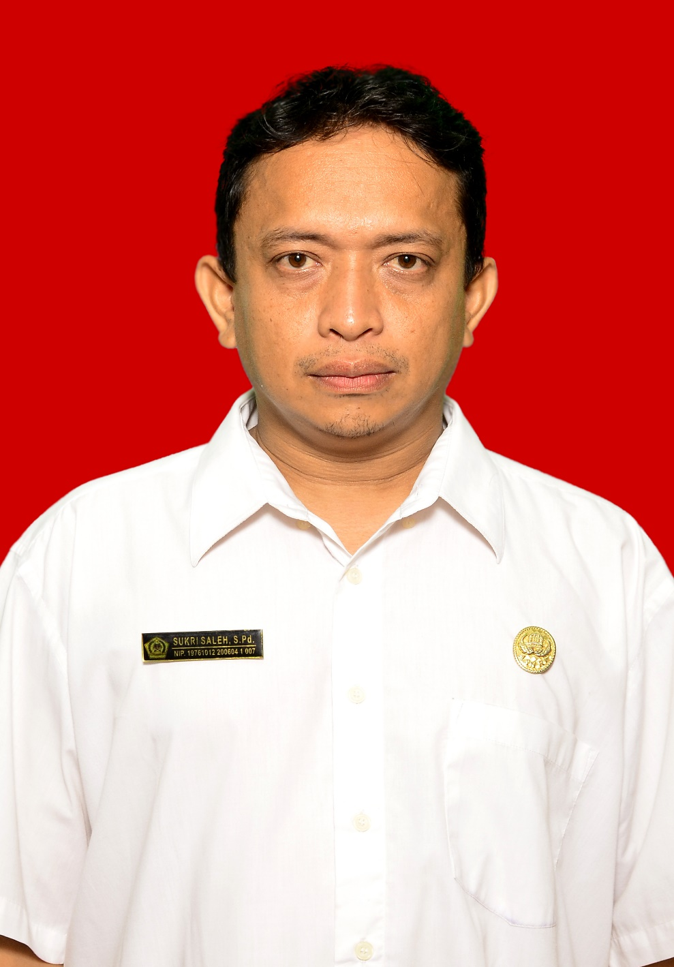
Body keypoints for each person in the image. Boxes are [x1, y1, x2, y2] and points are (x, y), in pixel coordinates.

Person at [0, 65, 672, 967]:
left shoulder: (607, 571)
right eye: (297, 261)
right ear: (223, 297)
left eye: (405, 261)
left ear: (473, 296)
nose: (351, 316)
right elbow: (16, 932)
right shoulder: (77, 561)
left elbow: (656, 931)